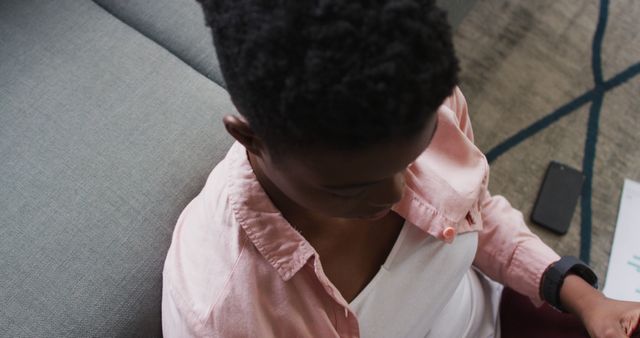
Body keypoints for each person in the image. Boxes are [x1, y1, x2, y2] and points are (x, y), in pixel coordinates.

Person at [161, 0, 640, 336]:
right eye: (350, 188)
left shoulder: (416, 99)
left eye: (417, 154)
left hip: (497, 310)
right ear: (251, 139)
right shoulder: (228, 314)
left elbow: (478, 210)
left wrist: (579, 295)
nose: (395, 194)